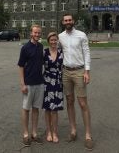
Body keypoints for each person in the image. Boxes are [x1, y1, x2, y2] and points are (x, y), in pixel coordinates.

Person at [58, 14, 93, 151]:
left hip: (79, 72)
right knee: (70, 101)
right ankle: (73, 130)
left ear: (73, 21)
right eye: (65, 20)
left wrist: (87, 71)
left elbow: (87, 52)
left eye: (70, 20)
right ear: (63, 22)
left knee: (83, 103)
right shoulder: (61, 36)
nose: (68, 22)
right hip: (66, 72)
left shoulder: (81, 35)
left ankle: (88, 135)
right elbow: (57, 50)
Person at [18, 24, 44, 147]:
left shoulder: (41, 46)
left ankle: (34, 132)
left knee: (36, 109)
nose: (37, 35)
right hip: (28, 83)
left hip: (39, 82)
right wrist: (22, 84)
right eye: (35, 33)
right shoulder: (25, 48)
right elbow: (21, 66)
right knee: (26, 109)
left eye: (39, 33)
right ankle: (25, 133)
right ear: (31, 33)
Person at [42, 32, 64, 143]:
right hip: (47, 82)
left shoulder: (61, 52)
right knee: (47, 109)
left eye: (55, 40)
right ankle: (48, 131)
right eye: (51, 40)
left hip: (58, 82)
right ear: (48, 41)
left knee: (55, 109)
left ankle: (55, 132)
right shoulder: (44, 52)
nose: (54, 42)